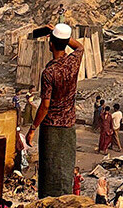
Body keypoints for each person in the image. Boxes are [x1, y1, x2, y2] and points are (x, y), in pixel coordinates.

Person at [27, 23, 84, 198]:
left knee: (49, 171)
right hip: (68, 126)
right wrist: (61, 35)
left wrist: (32, 128)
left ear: (50, 43)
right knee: (65, 170)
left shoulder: (49, 72)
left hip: (51, 127)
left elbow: (45, 106)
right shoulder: (73, 61)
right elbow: (79, 46)